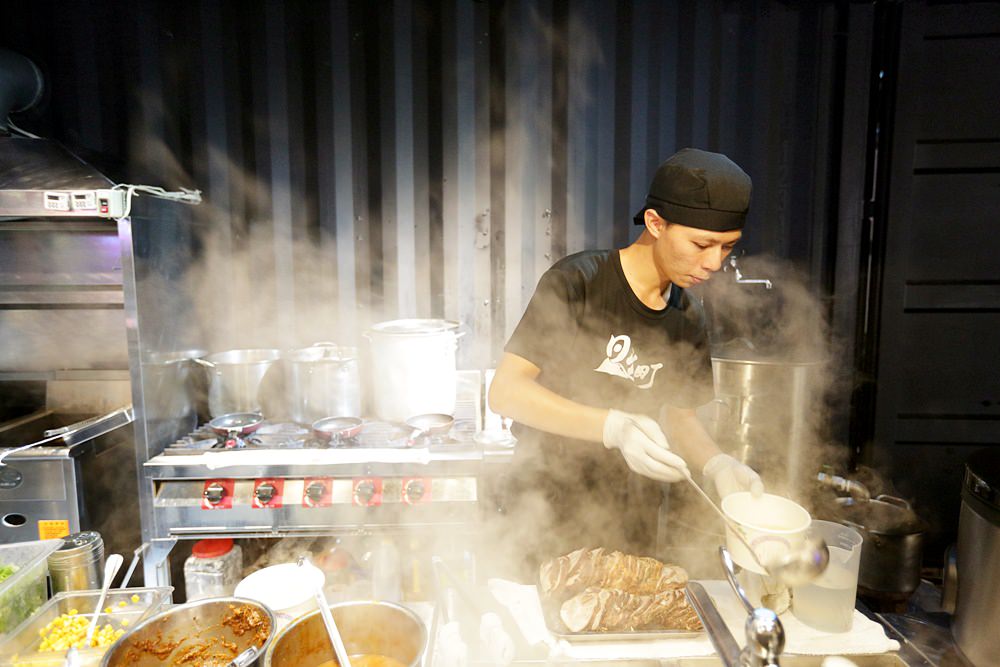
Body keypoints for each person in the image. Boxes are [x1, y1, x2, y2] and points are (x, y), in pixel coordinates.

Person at [487, 148, 764, 580]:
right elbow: (507, 391)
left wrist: (716, 464)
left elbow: (680, 416)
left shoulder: (688, 313)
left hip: (632, 522)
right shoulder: (578, 281)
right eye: (701, 244)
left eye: (727, 247)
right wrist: (612, 427)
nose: (714, 263)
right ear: (655, 223)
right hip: (543, 511)